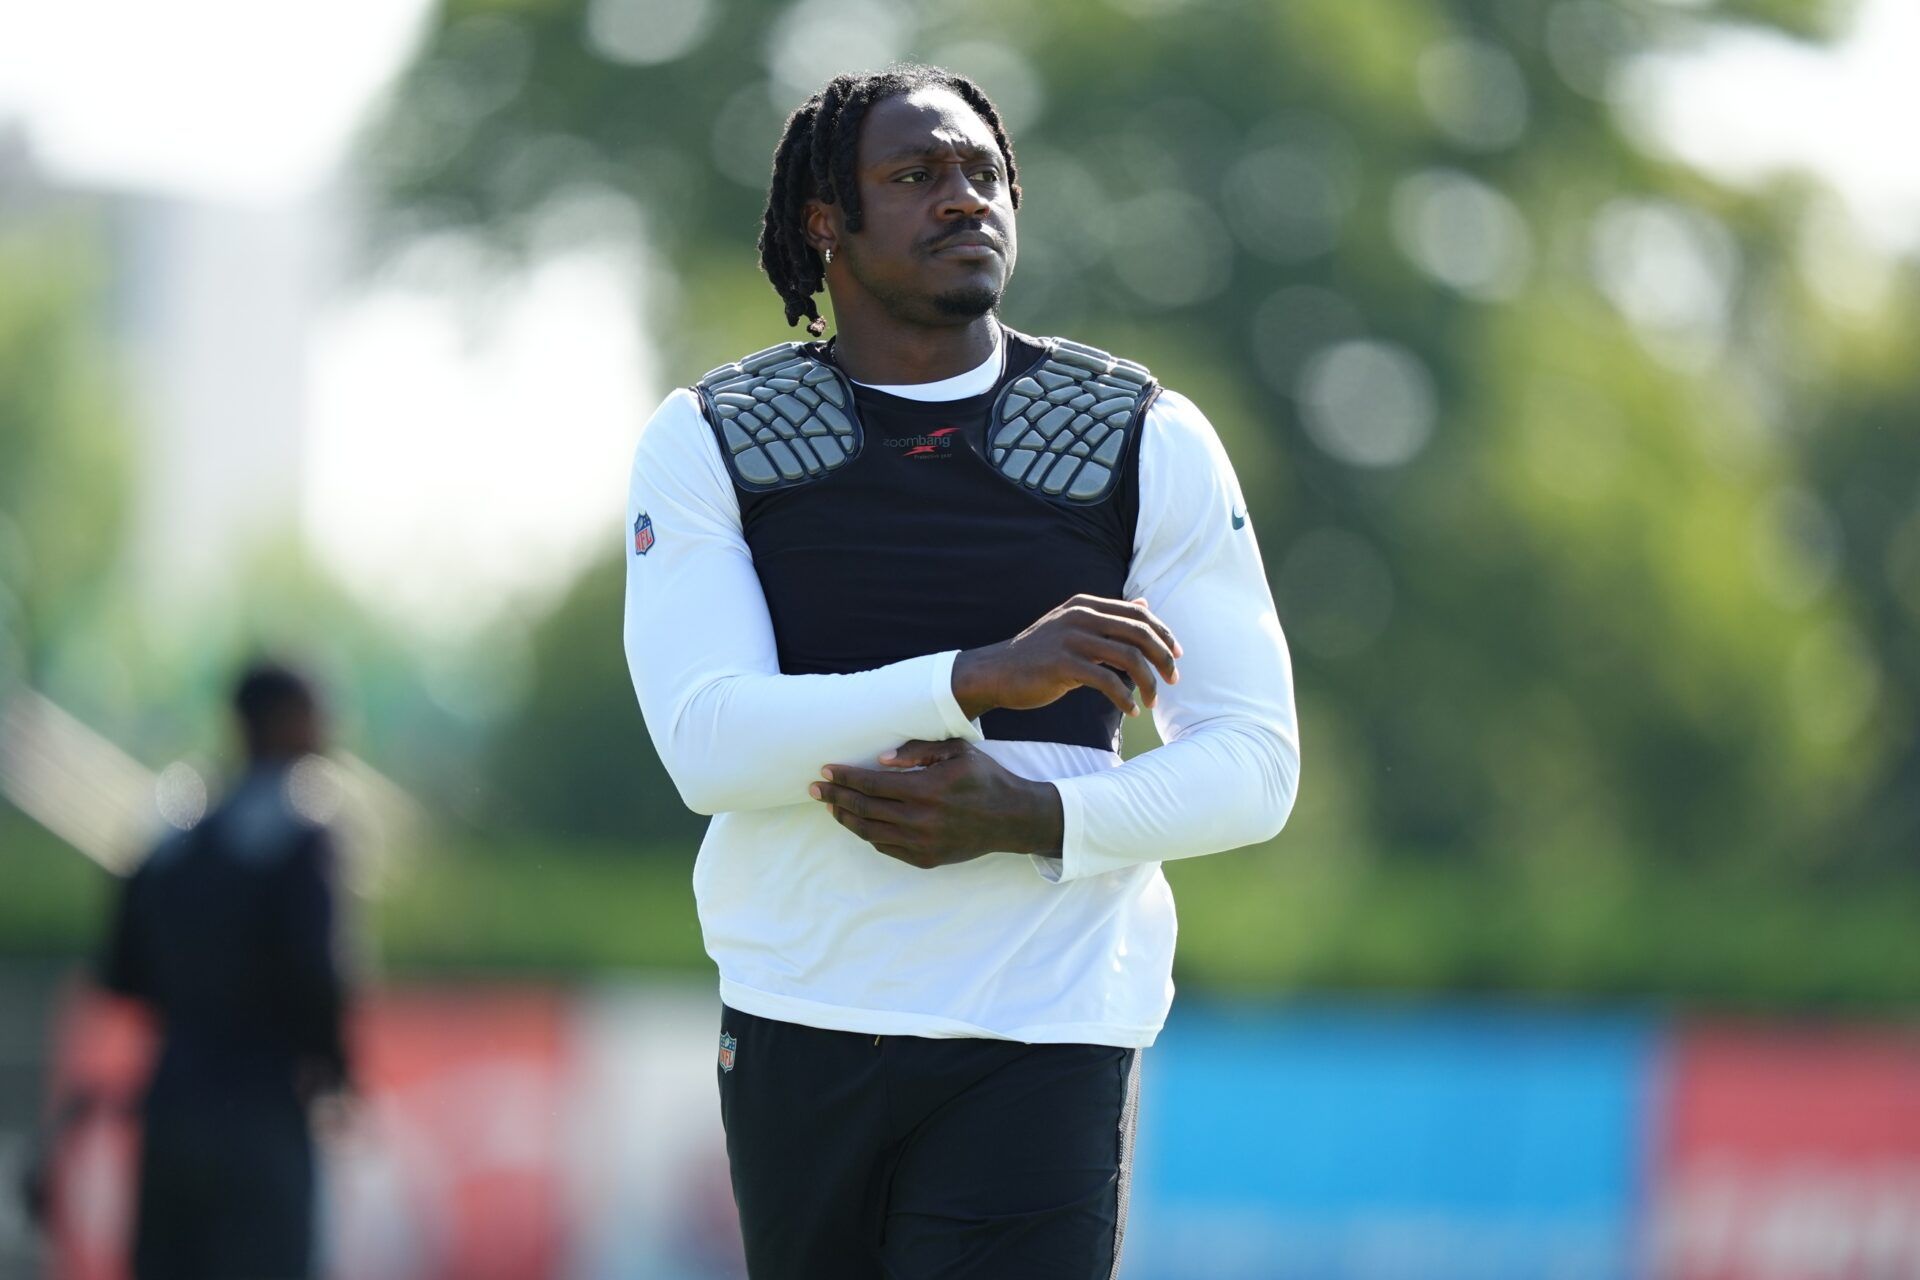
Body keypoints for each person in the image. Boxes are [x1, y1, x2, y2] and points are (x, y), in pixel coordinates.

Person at [623, 65, 1300, 1279]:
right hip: (799, 1019)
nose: (964, 198)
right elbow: (707, 745)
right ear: (826, 219)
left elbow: (1256, 766)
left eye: (985, 173)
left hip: (1045, 1029)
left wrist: (1035, 814)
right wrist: (974, 676)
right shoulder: (710, 435)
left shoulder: (1145, 435)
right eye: (917, 175)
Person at [98, 661, 353, 1280]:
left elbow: (121, 971)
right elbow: (316, 976)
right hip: (262, 1111)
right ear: (289, 720)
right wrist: (337, 1070)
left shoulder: (170, 822)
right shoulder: (299, 823)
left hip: (171, 1104)